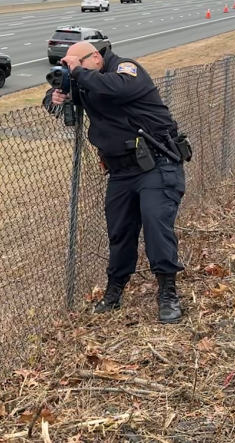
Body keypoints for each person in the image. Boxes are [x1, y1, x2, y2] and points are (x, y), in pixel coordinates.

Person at [42, 42, 187, 324]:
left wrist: (78, 73)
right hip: (121, 171)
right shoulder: (87, 79)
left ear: (95, 57)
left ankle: (168, 293)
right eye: (69, 65)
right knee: (120, 231)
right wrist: (55, 96)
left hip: (156, 164)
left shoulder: (125, 69)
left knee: (156, 223)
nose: (74, 70)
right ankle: (114, 292)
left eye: (77, 63)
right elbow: (55, 95)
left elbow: (116, 88)